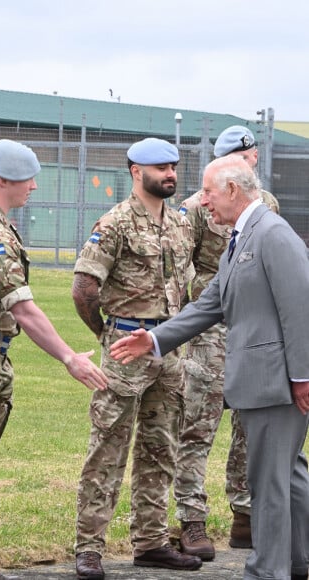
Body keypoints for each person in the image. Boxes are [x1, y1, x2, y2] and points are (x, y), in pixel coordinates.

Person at [111, 154, 309, 580]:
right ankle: (296, 563)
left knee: (268, 484)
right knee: (287, 476)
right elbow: (208, 304)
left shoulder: (272, 234)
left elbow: (301, 307)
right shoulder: (240, 240)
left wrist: (302, 377)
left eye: (208, 192)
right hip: (263, 382)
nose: (202, 201)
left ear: (234, 191)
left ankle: (266, 571)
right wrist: (156, 338)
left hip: (277, 384)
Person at [0, 138, 108, 580]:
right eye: (28, 178)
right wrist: (70, 358)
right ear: (4, 180)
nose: (33, 186)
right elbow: (24, 309)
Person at [72, 137, 200, 580]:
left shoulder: (181, 224)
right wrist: (108, 335)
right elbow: (85, 290)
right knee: (107, 450)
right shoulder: (115, 224)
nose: (169, 174)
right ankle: (88, 548)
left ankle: (150, 542)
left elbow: (187, 287)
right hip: (126, 351)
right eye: (160, 168)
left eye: (173, 167)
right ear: (135, 171)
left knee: (160, 449)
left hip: (168, 349)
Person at [174, 125, 280, 560]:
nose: (250, 160)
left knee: (249, 425)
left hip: (251, 328)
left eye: (249, 155)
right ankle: (192, 519)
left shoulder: (266, 205)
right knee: (200, 421)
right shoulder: (197, 207)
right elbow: (181, 269)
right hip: (211, 331)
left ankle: (245, 515)